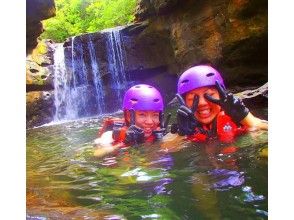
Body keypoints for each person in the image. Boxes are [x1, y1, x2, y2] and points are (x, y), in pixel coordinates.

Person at [171, 64, 268, 143]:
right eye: (193, 98)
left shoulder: (237, 119)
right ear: (183, 103)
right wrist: (181, 134)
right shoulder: (183, 127)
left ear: (221, 95)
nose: (202, 103)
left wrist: (245, 117)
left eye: (209, 95)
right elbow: (164, 150)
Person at [94, 84, 170, 157]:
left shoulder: (159, 134)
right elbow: (97, 154)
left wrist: (178, 134)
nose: (150, 122)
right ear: (128, 116)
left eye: (155, 115)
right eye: (142, 115)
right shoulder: (111, 135)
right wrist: (124, 143)